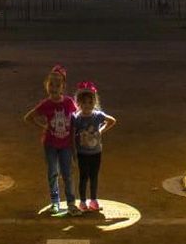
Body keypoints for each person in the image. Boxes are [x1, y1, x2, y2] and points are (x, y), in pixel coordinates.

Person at [23, 64, 82, 216]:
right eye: (51, 85)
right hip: (50, 144)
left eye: (57, 85)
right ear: (46, 86)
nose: (54, 88)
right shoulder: (46, 104)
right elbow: (28, 117)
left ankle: (71, 203)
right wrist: (43, 126)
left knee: (67, 174)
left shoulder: (68, 102)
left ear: (63, 87)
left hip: (66, 145)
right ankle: (55, 202)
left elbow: (78, 118)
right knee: (53, 173)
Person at [72, 81, 117, 212]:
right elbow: (73, 133)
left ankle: (93, 199)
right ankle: (82, 201)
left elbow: (112, 121)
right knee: (83, 177)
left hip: (96, 152)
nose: (87, 105)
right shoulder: (77, 118)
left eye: (90, 102)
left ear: (94, 102)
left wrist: (101, 131)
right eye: (84, 102)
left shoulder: (98, 116)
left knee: (94, 176)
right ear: (79, 103)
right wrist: (74, 147)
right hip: (82, 153)